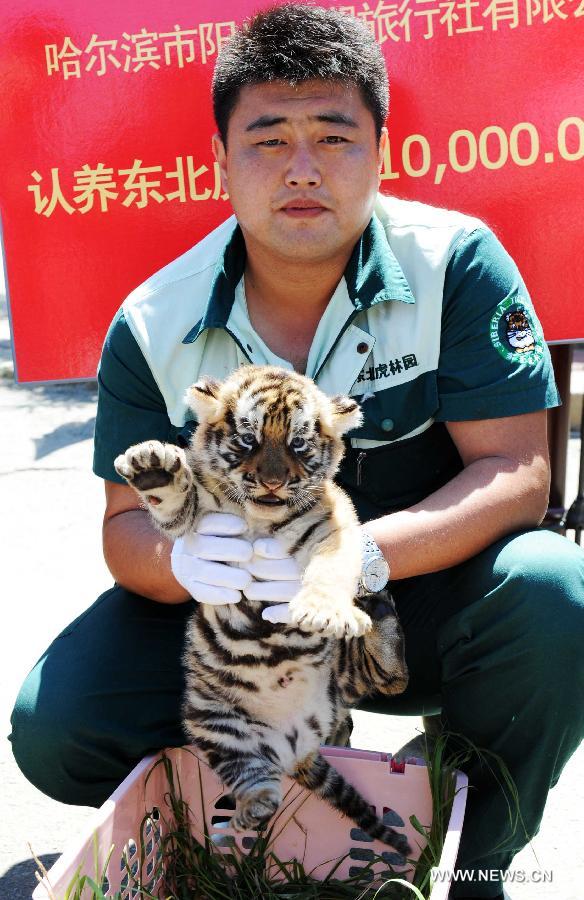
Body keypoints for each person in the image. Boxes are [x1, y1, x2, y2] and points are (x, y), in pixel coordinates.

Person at [10, 5, 584, 898]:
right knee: (59, 723)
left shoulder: (458, 266)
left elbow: (519, 474)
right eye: (269, 139)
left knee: (554, 594)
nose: (303, 168)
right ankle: (247, 810)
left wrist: (351, 559)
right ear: (221, 160)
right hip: (232, 633)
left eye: (334, 135)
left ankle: (477, 847)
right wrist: (185, 558)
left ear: (383, 147)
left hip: (400, 613)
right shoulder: (153, 321)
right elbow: (125, 529)